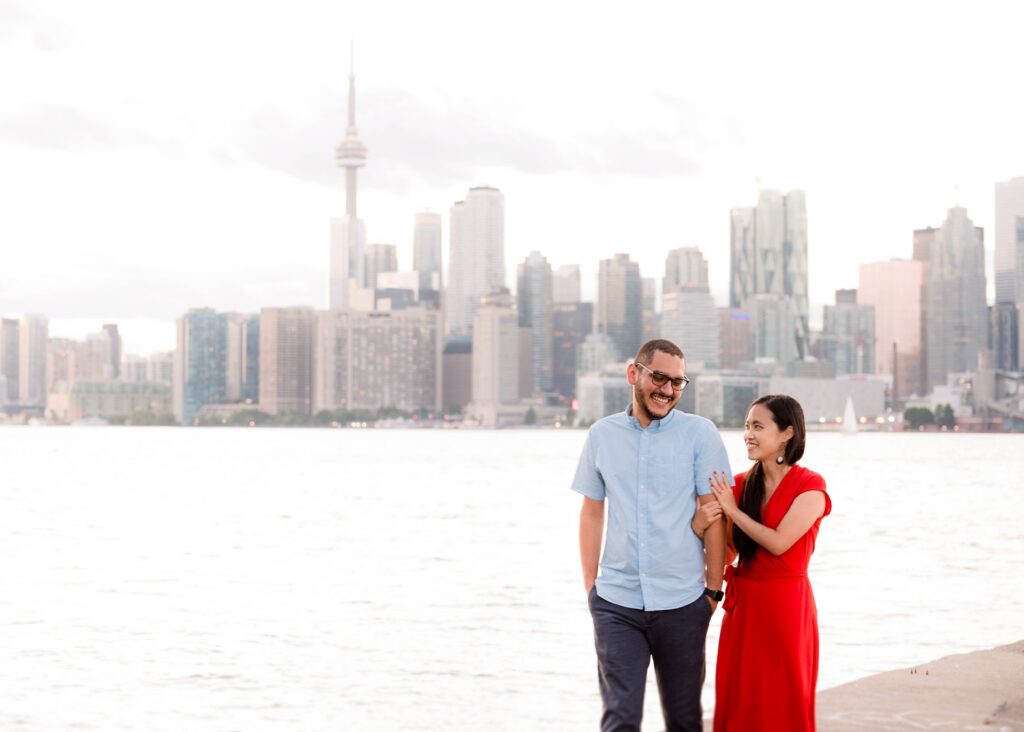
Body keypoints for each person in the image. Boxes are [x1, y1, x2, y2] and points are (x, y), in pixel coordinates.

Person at [572, 338, 732, 732]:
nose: (667, 390)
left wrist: (711, 593)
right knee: (620, 719)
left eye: (678, 382)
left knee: (683, 721)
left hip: (682, 603)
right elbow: (592, 511)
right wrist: (591, 587)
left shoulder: (700, 434)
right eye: (659, 377)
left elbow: (715, 516)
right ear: (634, 374)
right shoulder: (601, 435)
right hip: (616, 602)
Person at [692, 394, 831, 732]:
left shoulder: (810, 486)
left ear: (786, 433)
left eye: (758, 426)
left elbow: (780, 543)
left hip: (787, 608)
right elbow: (724, 554)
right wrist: (699, 526)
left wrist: (733, 511)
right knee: (741, 696)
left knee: (785, 698)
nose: (748, 435)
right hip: (745, 610)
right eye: (746, 426)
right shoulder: (737, 485)